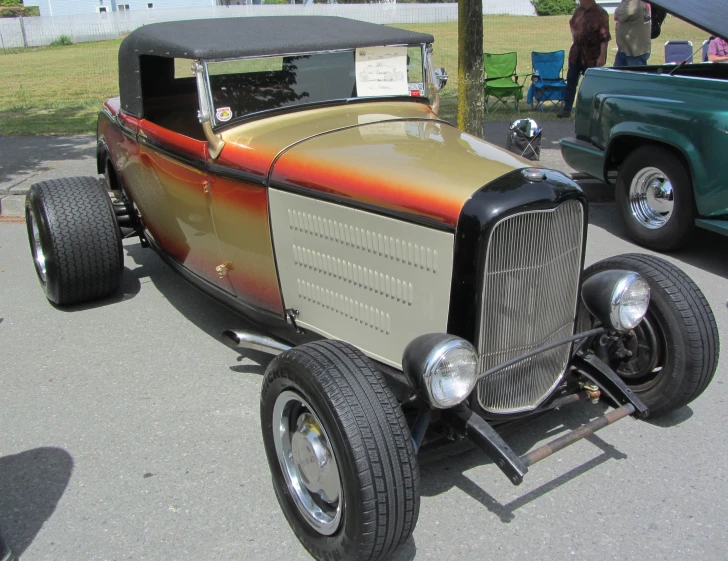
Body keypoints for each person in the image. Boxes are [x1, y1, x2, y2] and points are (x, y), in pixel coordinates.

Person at [558, 0, 611, 118]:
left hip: (592, 54)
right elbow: (572, 23)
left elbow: (604, 38)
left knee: (591, 84)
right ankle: (566, 109)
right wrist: (576, 36)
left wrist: (602, 57)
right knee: (571, 80)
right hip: (577, 53)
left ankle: (591, 110)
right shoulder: (579, 11)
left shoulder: (600, 13)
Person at [614, 0, 652, 66]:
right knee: (617, 75)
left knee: (635, 75)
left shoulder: (633, 2)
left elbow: (617, 16)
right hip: (626, 49)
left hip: (635, 52)